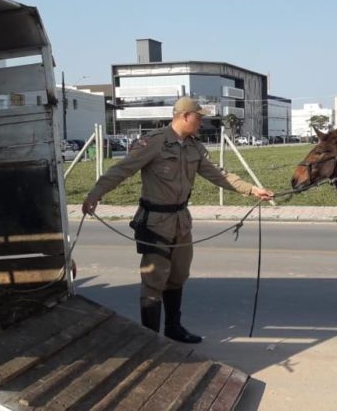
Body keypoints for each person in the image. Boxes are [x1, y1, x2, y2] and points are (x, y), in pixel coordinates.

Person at [82, 96, 274, 343]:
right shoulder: (155, 142)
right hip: (155, 222)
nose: (201, 122)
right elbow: (121, 170)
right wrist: (94, 195)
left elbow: (219, 175)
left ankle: (173, 328)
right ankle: (150, 339)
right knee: (154, 280)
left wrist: (252, 190)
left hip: (181, 220)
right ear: (185, 116)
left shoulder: (194, 146)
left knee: (178, 275)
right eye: (198, 117)